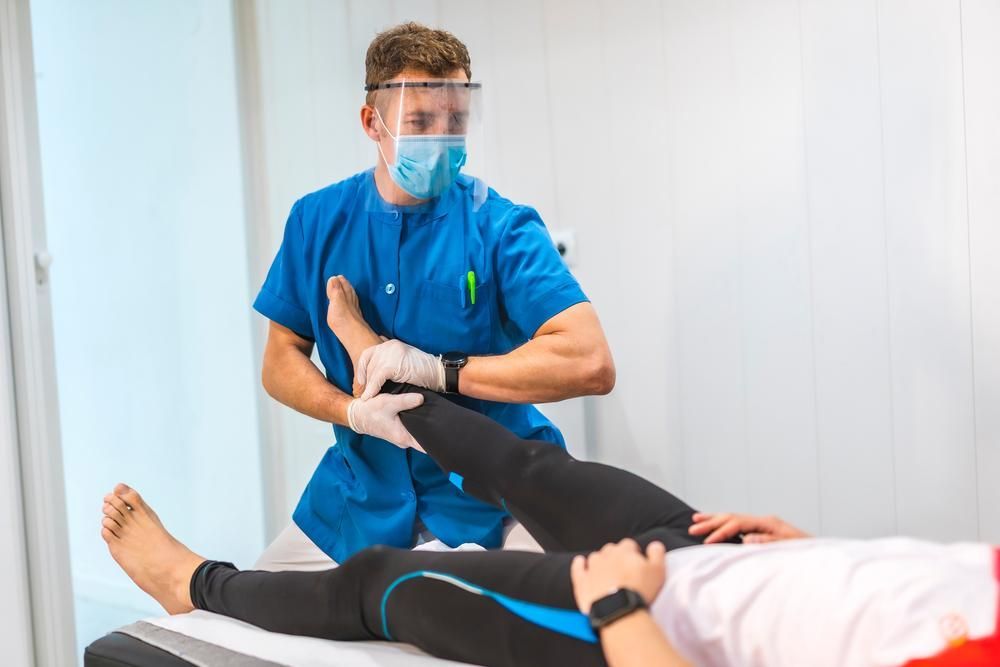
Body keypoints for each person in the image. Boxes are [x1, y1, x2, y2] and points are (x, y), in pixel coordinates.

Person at [101, 283, 999, 667]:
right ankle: (376, 361)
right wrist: (812, 552)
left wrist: (621, 607)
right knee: (521, 464)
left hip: (648, 620)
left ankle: (194, 581)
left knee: (382, 581)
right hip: (724, 553)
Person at [253, 21, 615, 571]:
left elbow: (590, 361)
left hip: (494, 497)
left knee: (536, 606)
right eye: (421, 122)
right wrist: (352, 412)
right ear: (372, 123)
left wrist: (436, 369)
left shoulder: (500, 227)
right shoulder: (316, 222)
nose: (443, 139)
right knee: (255, 604)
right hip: (360, 499)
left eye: (456, 121)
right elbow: (280, 359)